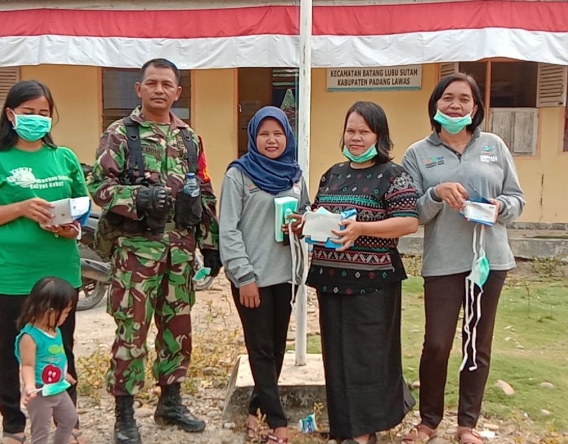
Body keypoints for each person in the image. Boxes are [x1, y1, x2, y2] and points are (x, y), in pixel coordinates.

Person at [87, 58, 221, 444]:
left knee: (177, 329)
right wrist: (138, 197)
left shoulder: (189, 139)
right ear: (139, 89)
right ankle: (124, 413)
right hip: (136, 252)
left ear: (178, 92)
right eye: (152, 83)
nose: (159, 90)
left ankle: (171, 402)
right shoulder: (119, 134)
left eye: (167, 84)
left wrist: (210, 244)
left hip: (180, 252)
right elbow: (98, 185)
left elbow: (205, 192)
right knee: (131, 331)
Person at [401, 73, 525, 444]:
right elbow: (413, 213)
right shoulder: (418, 154)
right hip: (443, 262)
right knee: (437, 343)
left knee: (477, 343)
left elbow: (517, 199)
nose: (455, 105)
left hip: (490, 261)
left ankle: (467, 424)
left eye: (464, 100)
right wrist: (436, 193)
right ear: (435, 105)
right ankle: (428, 421)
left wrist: (499, 206)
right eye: (447, 98)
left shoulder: (494, 146)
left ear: (475, 108)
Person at [0, 80, 89, 444]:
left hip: (60, 272)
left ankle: (66, 417)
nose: (37, 119)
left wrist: (72, 229)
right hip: (10, 274)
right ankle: (14, 424)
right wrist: (19, 208)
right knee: (11, 347)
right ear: (10, 115)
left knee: (61, 346)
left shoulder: (64, 158)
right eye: (29, 112)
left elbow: (81, 208)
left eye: (44, 112)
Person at [302, 101, 420, 444]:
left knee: (367, 358)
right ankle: (344, 428)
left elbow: (409, 221)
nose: (355, 137)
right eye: (350, 130)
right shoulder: (333, 173)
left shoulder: (393, 175)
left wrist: (361, 230)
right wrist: (304, 224)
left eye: (363, 131)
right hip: (330, 281)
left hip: (373, 285)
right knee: (336, 358)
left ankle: (366, 432)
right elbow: (320, 213)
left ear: (379, 136)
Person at [219, 106, 309, 444]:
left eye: (278, 133)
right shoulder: (239, 175)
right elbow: (227, 230)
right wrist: (243, 276)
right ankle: (279, 422)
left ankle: (256, 413)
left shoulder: (295, 174)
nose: (272, 140)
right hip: (252, 279)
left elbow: (305, 214)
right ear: (253, 137)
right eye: (264, 134)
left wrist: (302, 224)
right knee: (260, 348)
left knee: (277, 348)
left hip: (285, 276)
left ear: (287, 136)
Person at [15, 277, 79, 444]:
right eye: (65, 312)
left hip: (57, 388)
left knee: (69, 419)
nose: (66, 317)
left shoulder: (55, 331)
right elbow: (27, 365)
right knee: (41, 431)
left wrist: (64, 374)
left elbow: (55, 358)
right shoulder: (30, 337)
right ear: (49, 310)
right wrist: (29, 386)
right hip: (40, 392)